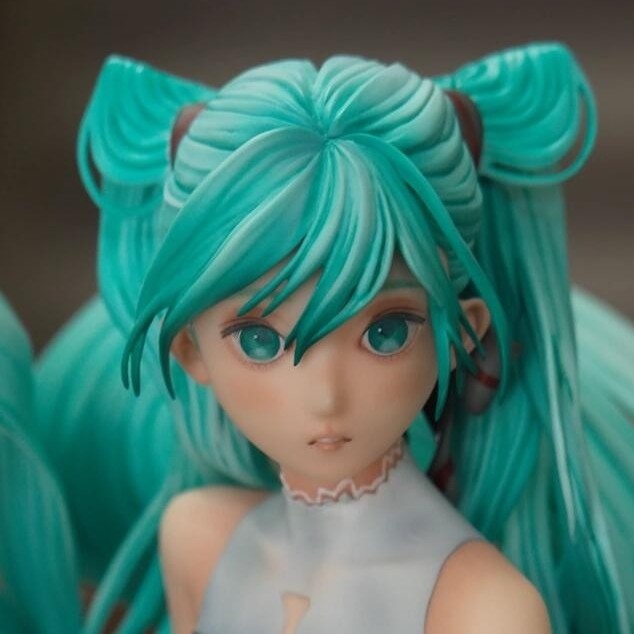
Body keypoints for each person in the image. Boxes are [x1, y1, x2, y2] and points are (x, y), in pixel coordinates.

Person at [2, 43, 632, 633]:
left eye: (385, 332)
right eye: (259, 341)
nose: (326, 395)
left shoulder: (485, 611)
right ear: (190, 351)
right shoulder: (197, 537)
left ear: (458, 336)